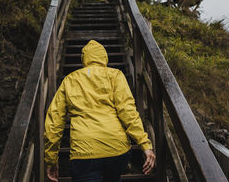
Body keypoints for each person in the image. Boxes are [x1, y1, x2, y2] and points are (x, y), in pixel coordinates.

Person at [44, 40, 156, 182]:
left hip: (84, 153)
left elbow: (55, 121)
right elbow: (128, 112)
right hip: (117, 150)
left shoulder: (70, 80)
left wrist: (51, 159)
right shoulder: (115, 75)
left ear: (84, 58)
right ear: (104, 57)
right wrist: (145, 145)